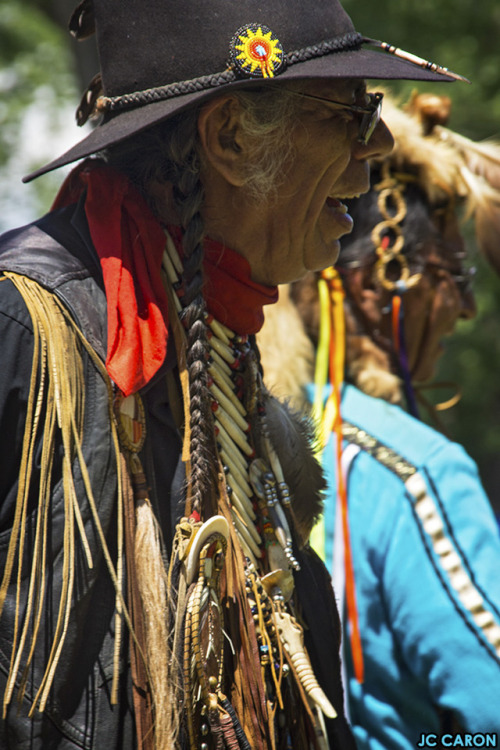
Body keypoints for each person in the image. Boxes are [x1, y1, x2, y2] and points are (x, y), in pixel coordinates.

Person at [0, 0, 462, 747]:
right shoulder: (28, 328)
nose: (376, 143)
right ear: (230, 137)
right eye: (349, 110)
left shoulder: (221, 351)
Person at [258, 92, 500, 748]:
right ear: (381, 274)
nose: (467, 309)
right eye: (457, 273)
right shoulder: (415, 469)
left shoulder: (260, 434)